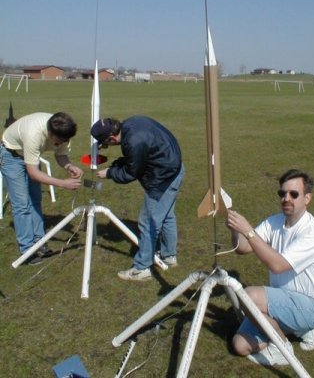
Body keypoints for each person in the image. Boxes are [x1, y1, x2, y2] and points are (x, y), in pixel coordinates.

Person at [226, 169, 314, 366]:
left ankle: (282, 346)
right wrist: (236, 230)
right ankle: (295, 328)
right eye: (282, 193)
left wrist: (248, 231)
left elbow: (277, 265)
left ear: (307, 198)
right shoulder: (274, 222)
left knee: (248, 297)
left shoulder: (313, 232)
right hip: (284, 299)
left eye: (294, 194)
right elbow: (242, 248)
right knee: (240, 345)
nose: (286, 198)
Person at [91, 115, 185, 281]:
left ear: (112, 137)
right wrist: (118, 164)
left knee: (147, 222)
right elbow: (137, 158)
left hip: (163, 178)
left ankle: (141, 269)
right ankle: (169, 256)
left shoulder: (133, 141)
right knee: (167, 216)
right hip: (174, 168)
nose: (107, 146)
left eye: (106, 143)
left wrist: (109, 173)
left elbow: (130, 173)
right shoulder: (132, 123)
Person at [0, 112, 83, 265]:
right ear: (50, 133)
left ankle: (40, 241)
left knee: (36, 199)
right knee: (22, 205)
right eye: (59, 141)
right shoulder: (34, 135)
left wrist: (69, 166)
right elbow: (34, 174)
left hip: (30, 155)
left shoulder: (62, 130)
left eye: (66, 140)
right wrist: (62, 183)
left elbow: (61, 154)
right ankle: (27, 251)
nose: (63, 143)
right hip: (11, 155)